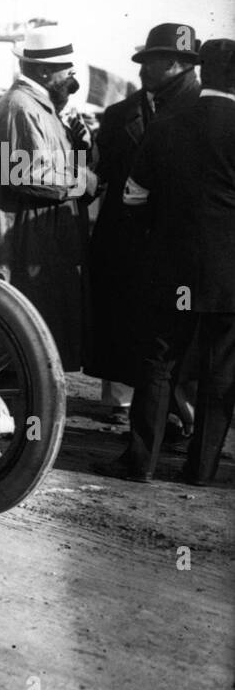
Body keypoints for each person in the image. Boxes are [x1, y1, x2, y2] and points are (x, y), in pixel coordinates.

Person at [95, 38, 235, 484]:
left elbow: (133, 195)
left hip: (173, 269)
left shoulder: (169, 123)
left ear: (204, 72)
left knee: (160, 362)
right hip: (230, 276)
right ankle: (202, 470)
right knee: (220, 371)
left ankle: (141, 461)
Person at [86, 23, 202, 425]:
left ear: (175, 63)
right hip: (126, 243)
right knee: (126, 326)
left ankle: (176, 414)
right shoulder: (120, 115)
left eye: (149, 61)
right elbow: (101, 177)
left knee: (175, 341)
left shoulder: (202, 110)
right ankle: (124, 403)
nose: (141, 70)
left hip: (176, 246)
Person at [0, 26, 91, 371]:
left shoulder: (38, 106)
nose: (72, 76)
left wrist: (77, 147)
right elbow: (27, 175)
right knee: (18, 334)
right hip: (20, 239)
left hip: (31, 237)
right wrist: (84, 180)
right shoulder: (23, 107)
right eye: (67, 69)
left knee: (27, 333)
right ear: (44, 71)